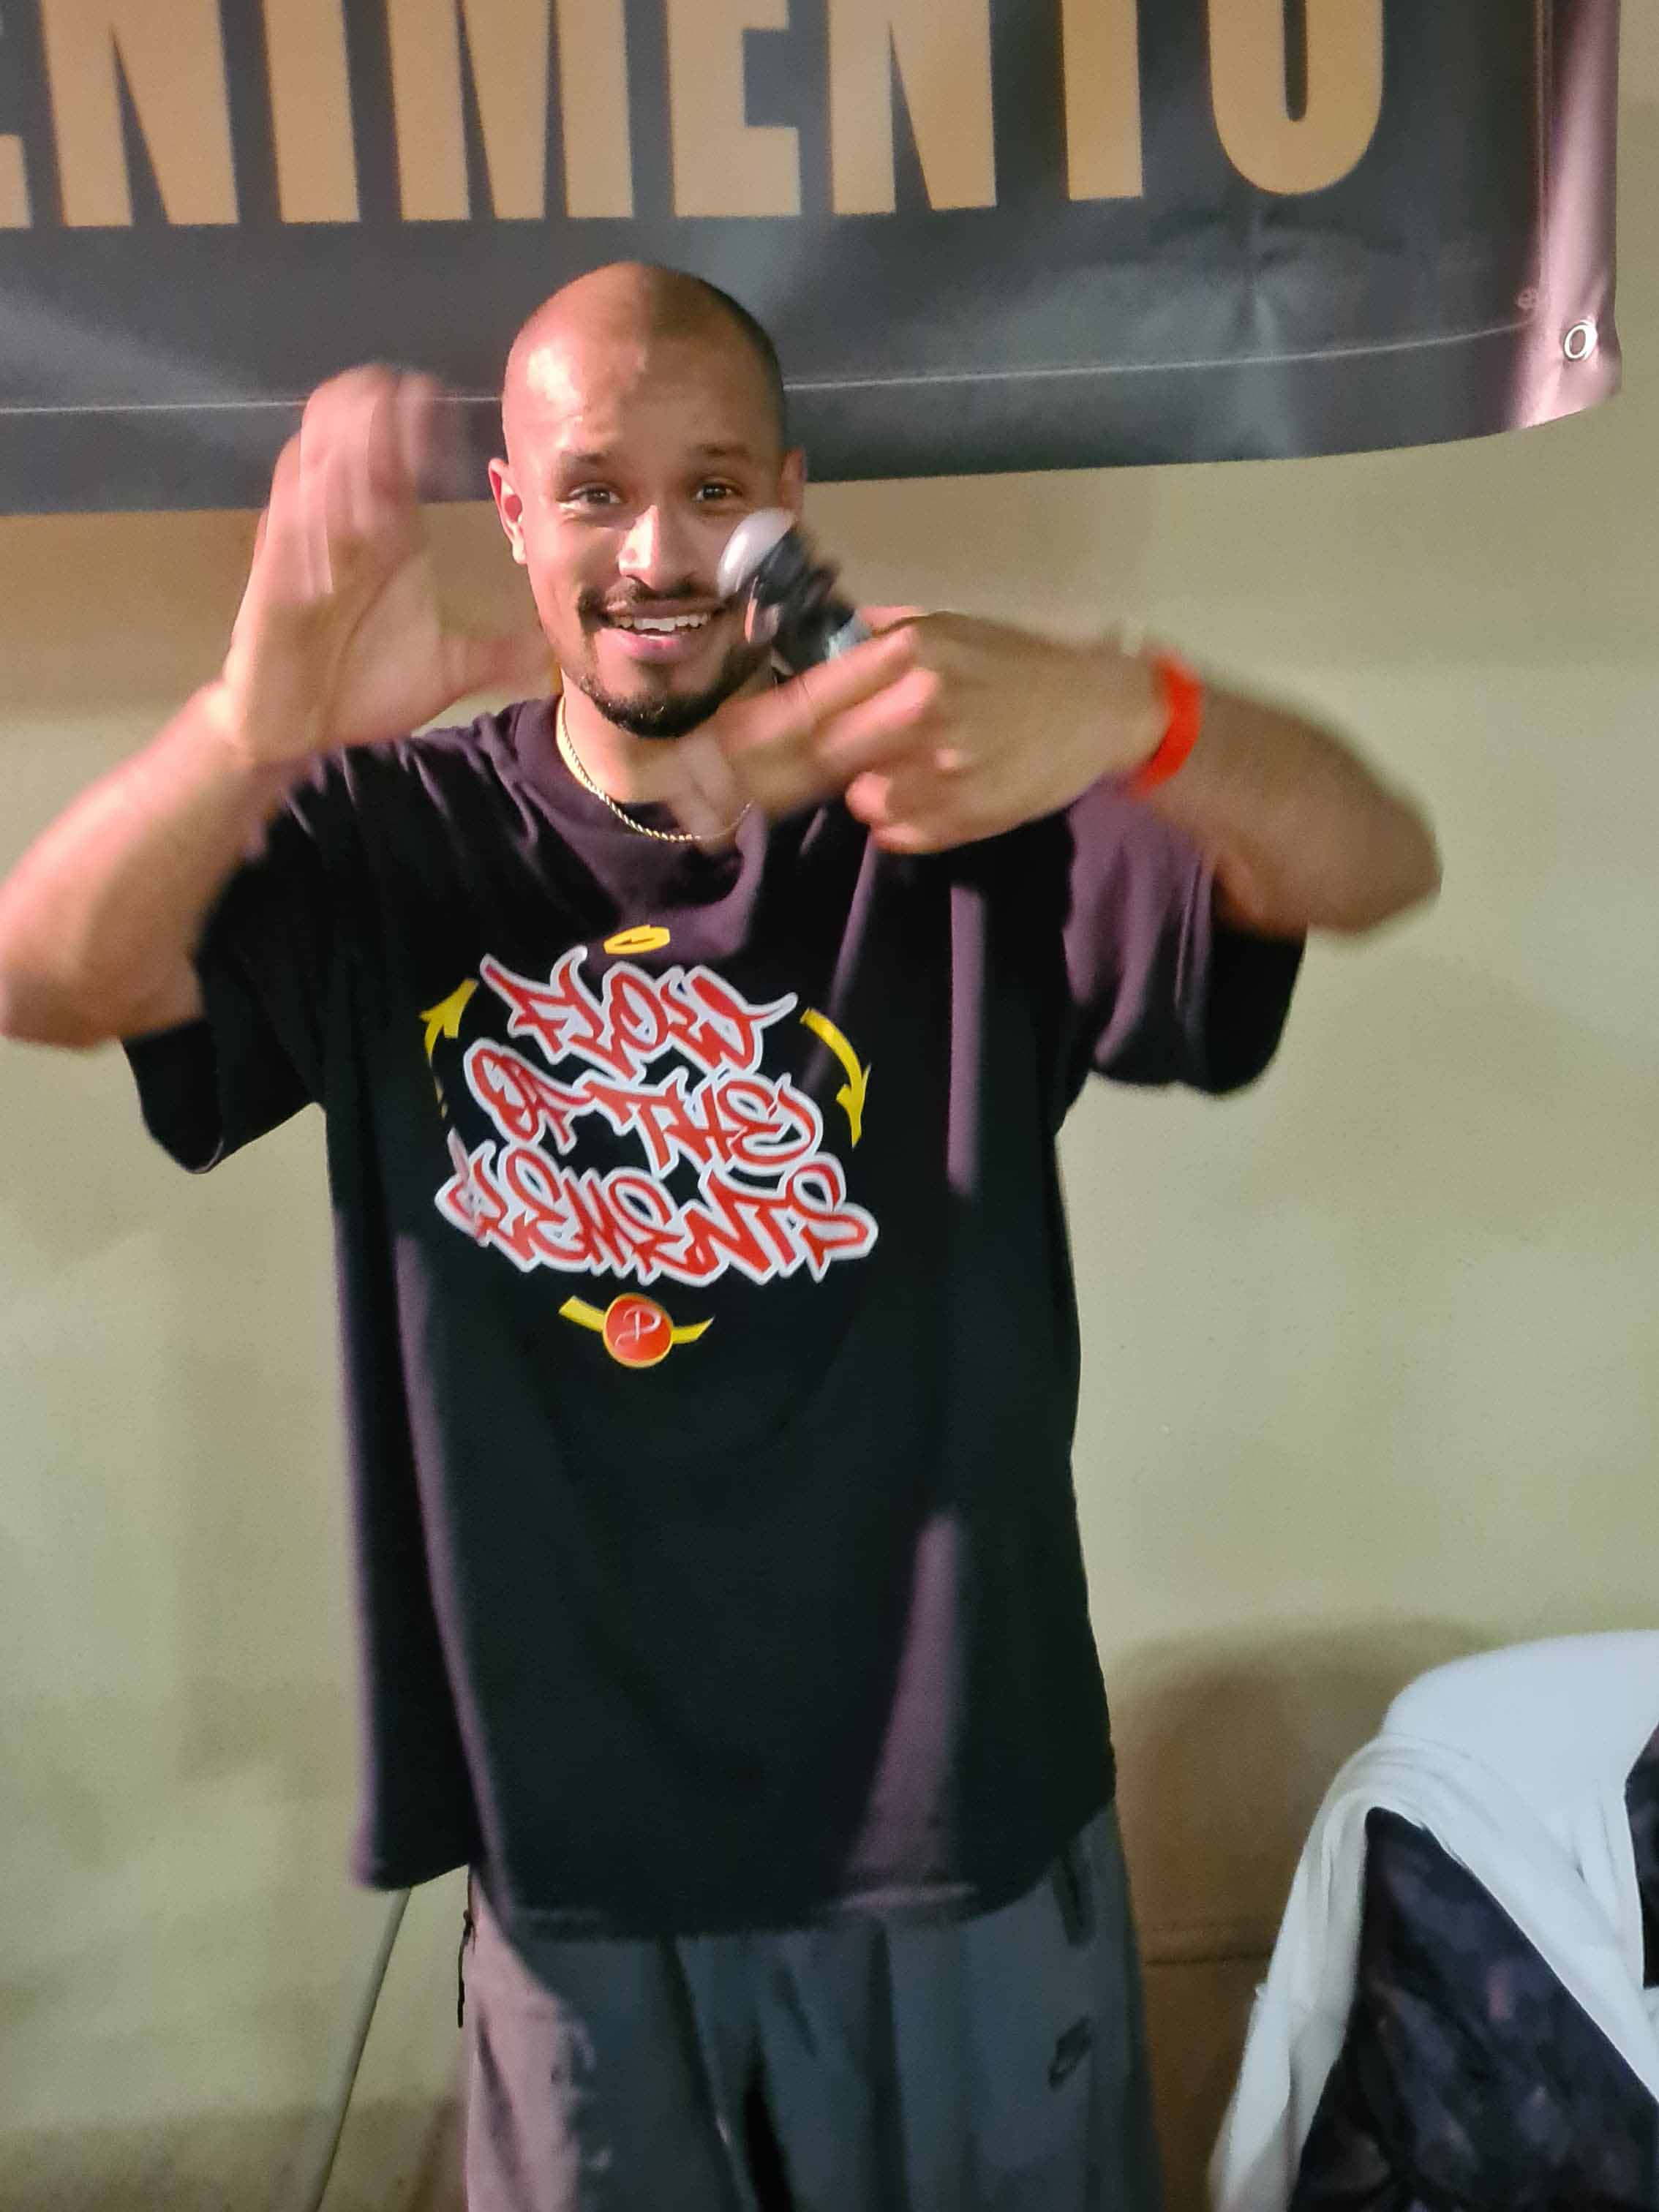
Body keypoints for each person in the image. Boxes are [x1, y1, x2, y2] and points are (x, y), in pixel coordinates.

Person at [0, 263, 1438, 2211]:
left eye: (712, 488)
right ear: (512, 511)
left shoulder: (949, 798)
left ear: (788, 499)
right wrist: (255, 720)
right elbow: (48, 974)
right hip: (572, 1866)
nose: (657, 552)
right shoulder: (397, 836)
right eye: (594, 490)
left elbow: (1372, 862)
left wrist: (1133, 706)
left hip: (956, 1829)